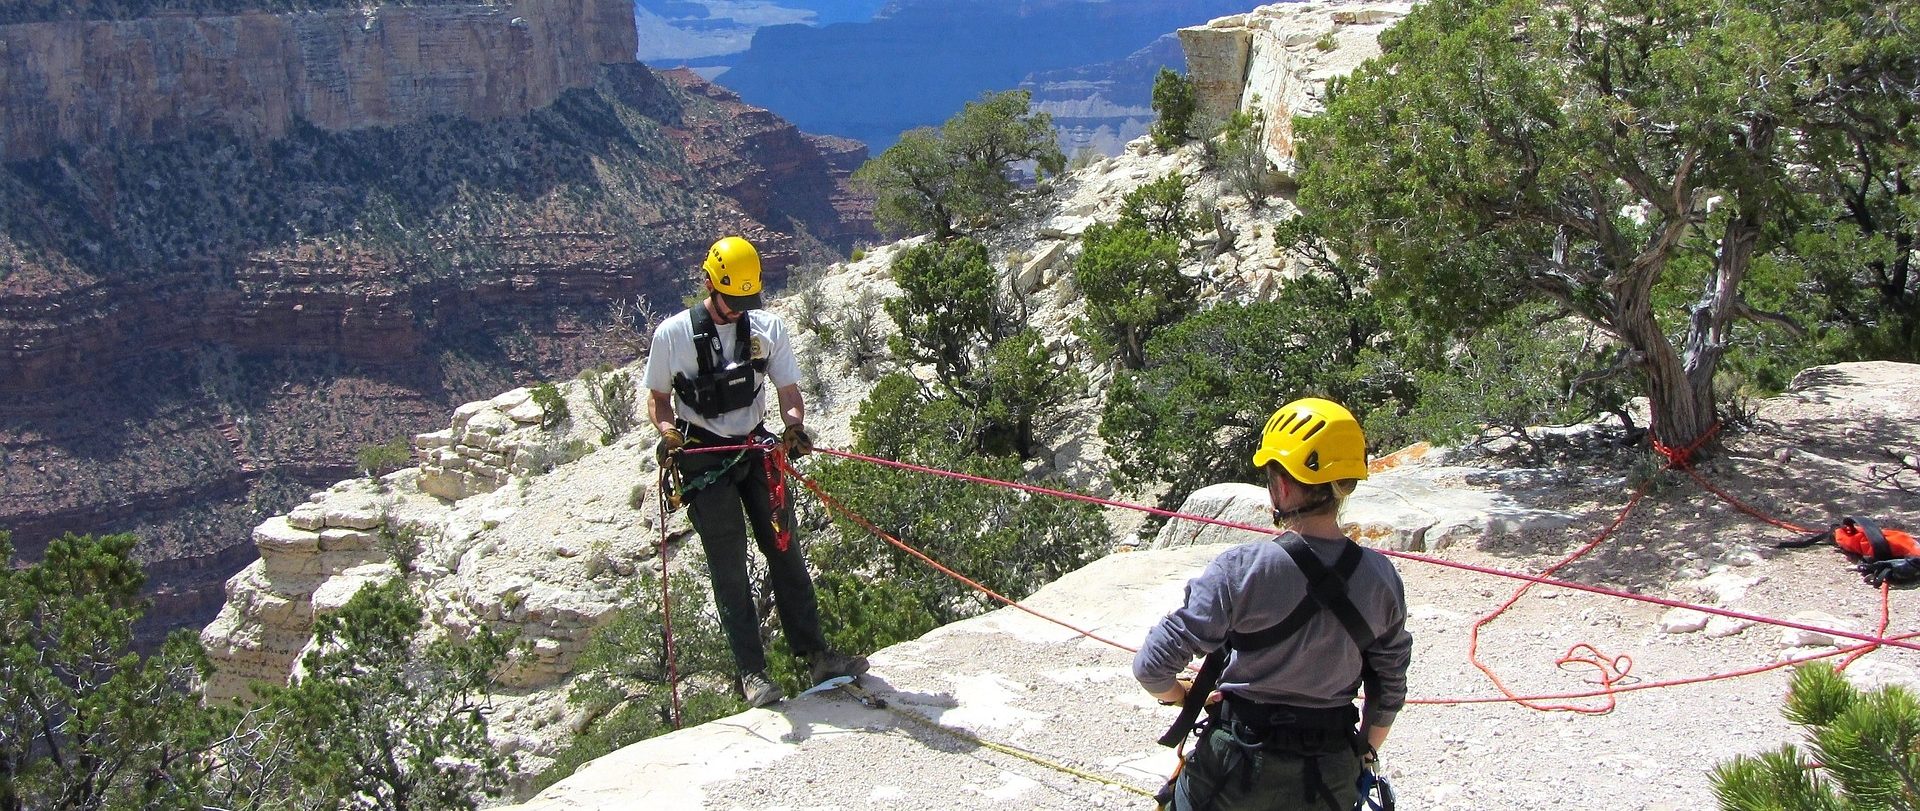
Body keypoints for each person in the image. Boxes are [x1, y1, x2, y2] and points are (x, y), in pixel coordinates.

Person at [1133, 397, 1412, 811]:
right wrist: (1362, 756)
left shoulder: (1240, 570)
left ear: (1281, 485)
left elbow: (1151, 667)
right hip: (1328, 773)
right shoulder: (1382, 578)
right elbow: (1388, 689)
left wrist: (1184, 694)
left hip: (1235, 770)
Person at [642, 235, 867, 708]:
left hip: (756, 446)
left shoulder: (768, 328)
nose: (738, 311)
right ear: (708, 284)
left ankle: (816, 654)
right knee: (729, 567)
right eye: (731, 301)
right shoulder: (673, 336)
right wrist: (668, 434)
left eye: (746, 301)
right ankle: (752, 673)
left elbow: (788, 391)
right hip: (702, 455)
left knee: (785, 549)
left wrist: (794, 427)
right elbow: (659, 401)